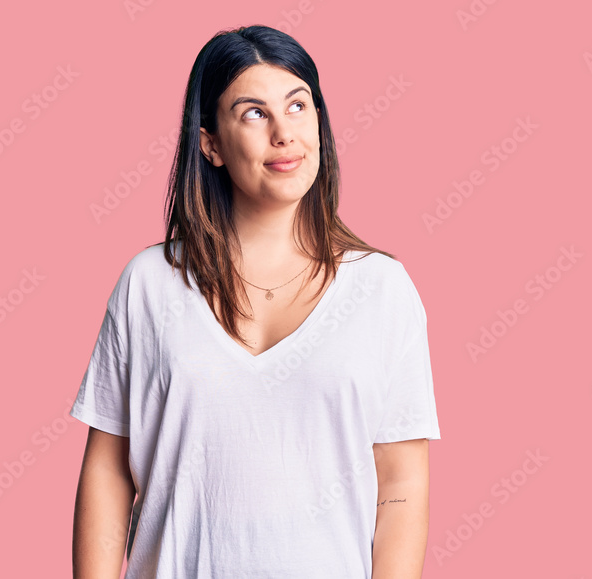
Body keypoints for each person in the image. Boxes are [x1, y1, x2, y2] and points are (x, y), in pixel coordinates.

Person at [70, 25, 440, 578]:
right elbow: (108, 471)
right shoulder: (149, 284)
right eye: (253, 114)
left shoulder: (383, 290)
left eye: (298, 105)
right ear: (210, 143)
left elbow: (402, 482)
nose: (284, 133)